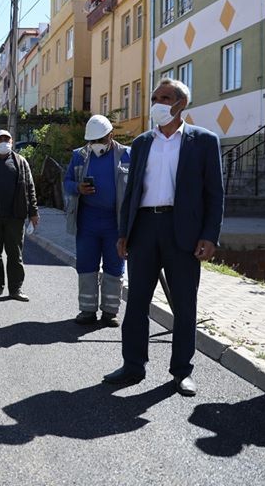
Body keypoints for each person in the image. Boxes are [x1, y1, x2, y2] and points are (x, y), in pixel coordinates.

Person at [103, 78, 223, 397]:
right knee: (137, 302)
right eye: (155, 97)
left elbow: (215, 194)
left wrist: (210, 235)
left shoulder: (204, 141)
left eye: (165, 97)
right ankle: (133, 365)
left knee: (184, 305)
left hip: (182, 232)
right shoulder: (142, 143)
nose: (157, 102)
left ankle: (182, 371)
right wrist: (123, 233)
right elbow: (130, 192)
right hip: (144, 229)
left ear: (181, 103)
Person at [64, 115, 131, 326]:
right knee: (86, 266)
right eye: (91, 141)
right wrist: (78, 188)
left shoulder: (127, 155)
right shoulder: (79, 156)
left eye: (99, 140)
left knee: (114, 265)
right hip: (88, 222)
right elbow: (66, 181)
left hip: (115, 224)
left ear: (111, 136)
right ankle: (87, 311)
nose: (94, 145)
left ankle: (110, 312)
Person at [0, 128, 38, 301]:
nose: (3, 142)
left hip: (15, 215)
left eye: (6, 139)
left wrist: (34, 213)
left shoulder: (20, 162)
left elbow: (30, 187)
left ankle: (16, 289)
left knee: (15, 254)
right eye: (0, 139)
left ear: (12, 141)